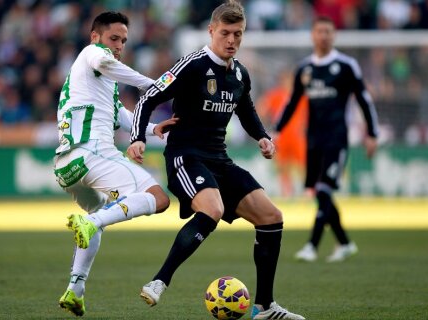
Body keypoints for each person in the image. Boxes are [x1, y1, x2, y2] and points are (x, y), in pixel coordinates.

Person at [127, 1, 305, 319]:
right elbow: (148, 97)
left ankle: (265, 307)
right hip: (185, 157)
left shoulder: (239, 73)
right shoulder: (192, 65)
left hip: (219, 160)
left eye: (238, 34)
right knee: (213, 209)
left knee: (271, 217)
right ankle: (159, 281)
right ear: (211, 31)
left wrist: (262, 136)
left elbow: (246, 109)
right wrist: (138, 136)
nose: (232, 40)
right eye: (225, 33)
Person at [53, 11, 176, 317]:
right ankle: (93, 222)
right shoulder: (92, 54)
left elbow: (122, 117)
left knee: (97, 219)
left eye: (123, 40)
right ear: (95, 36)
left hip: (67, 167)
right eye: (114, 38)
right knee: (158, 199)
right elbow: (106, 62)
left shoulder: (98, 82)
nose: (119, 45)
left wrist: (153, 129)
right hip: (92, 152)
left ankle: (75, 289)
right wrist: (155, 85)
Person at [275, 16, 379, 263]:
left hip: (337, 138)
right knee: (320, 193)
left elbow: (364, 99)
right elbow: (292, 103)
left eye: (328, 31)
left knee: (323, 190)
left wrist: (372, 133)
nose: (324, 36)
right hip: (313, 140)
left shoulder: (346, 65)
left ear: (334, 35)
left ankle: (312, 246)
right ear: (313, 35)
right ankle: (344, 243)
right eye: (320, 31)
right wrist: (277, 131)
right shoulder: (304, 69)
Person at [256, 68, 307, 197]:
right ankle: (287, 192)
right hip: (281, 136)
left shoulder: (300, 95)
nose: (287, 82)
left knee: (303, 165)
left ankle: (307, 191)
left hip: (296, 136)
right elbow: (261, 108)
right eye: (285, 79)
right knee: (283, 166)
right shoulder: (276, 95)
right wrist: (265, 125)